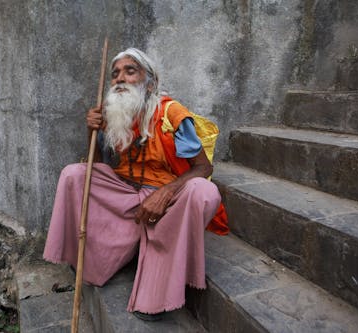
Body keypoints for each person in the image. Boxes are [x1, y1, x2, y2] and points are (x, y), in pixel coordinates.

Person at [43, 48, 223, 320]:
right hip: (126, 192)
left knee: (204, 191)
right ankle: (89, 260)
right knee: (74, 174)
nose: (120, 79)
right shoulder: (114, 113)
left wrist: (165, 192)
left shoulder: (171, 113)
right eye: (115, 74)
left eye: (130, 71)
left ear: (149, 83)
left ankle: (157, 293)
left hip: (166, 198)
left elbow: (204, 168)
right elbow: (99, 163)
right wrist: (91, 131)